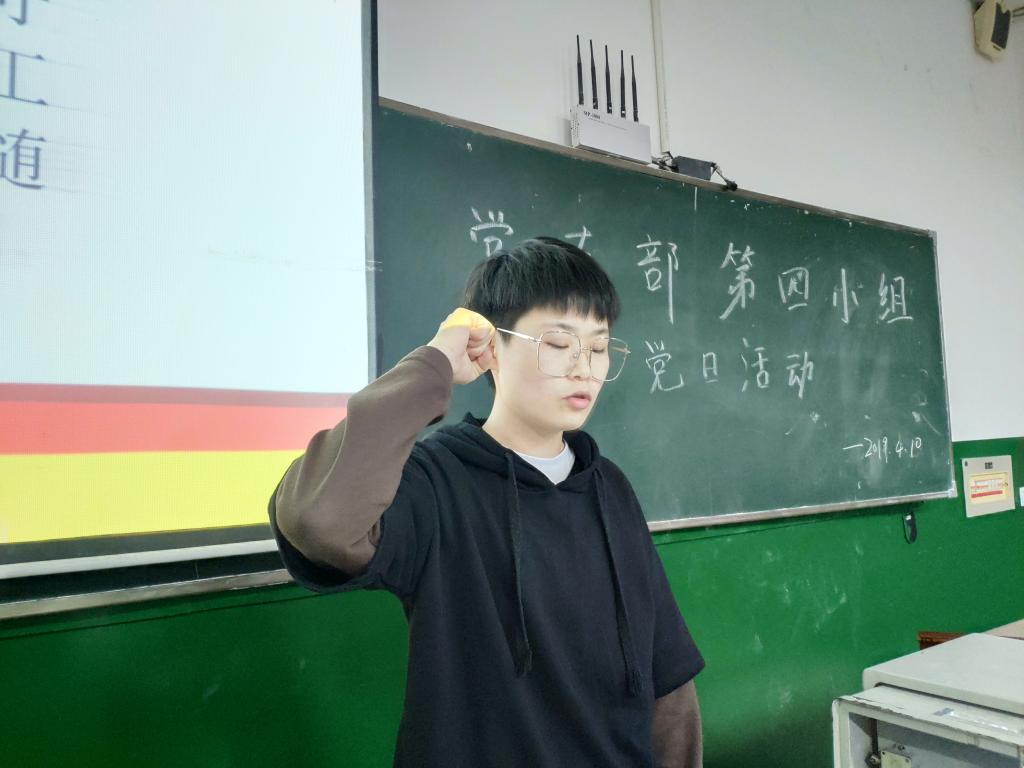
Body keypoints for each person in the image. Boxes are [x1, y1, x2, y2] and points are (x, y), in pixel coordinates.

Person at [269, 236, 704, 767]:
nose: (584, 369)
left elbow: (666, 677)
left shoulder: (609, 488)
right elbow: (317, 520)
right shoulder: (435, 482)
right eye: (558, 344)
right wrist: (433, 365)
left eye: (598, 347)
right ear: (493, 348)